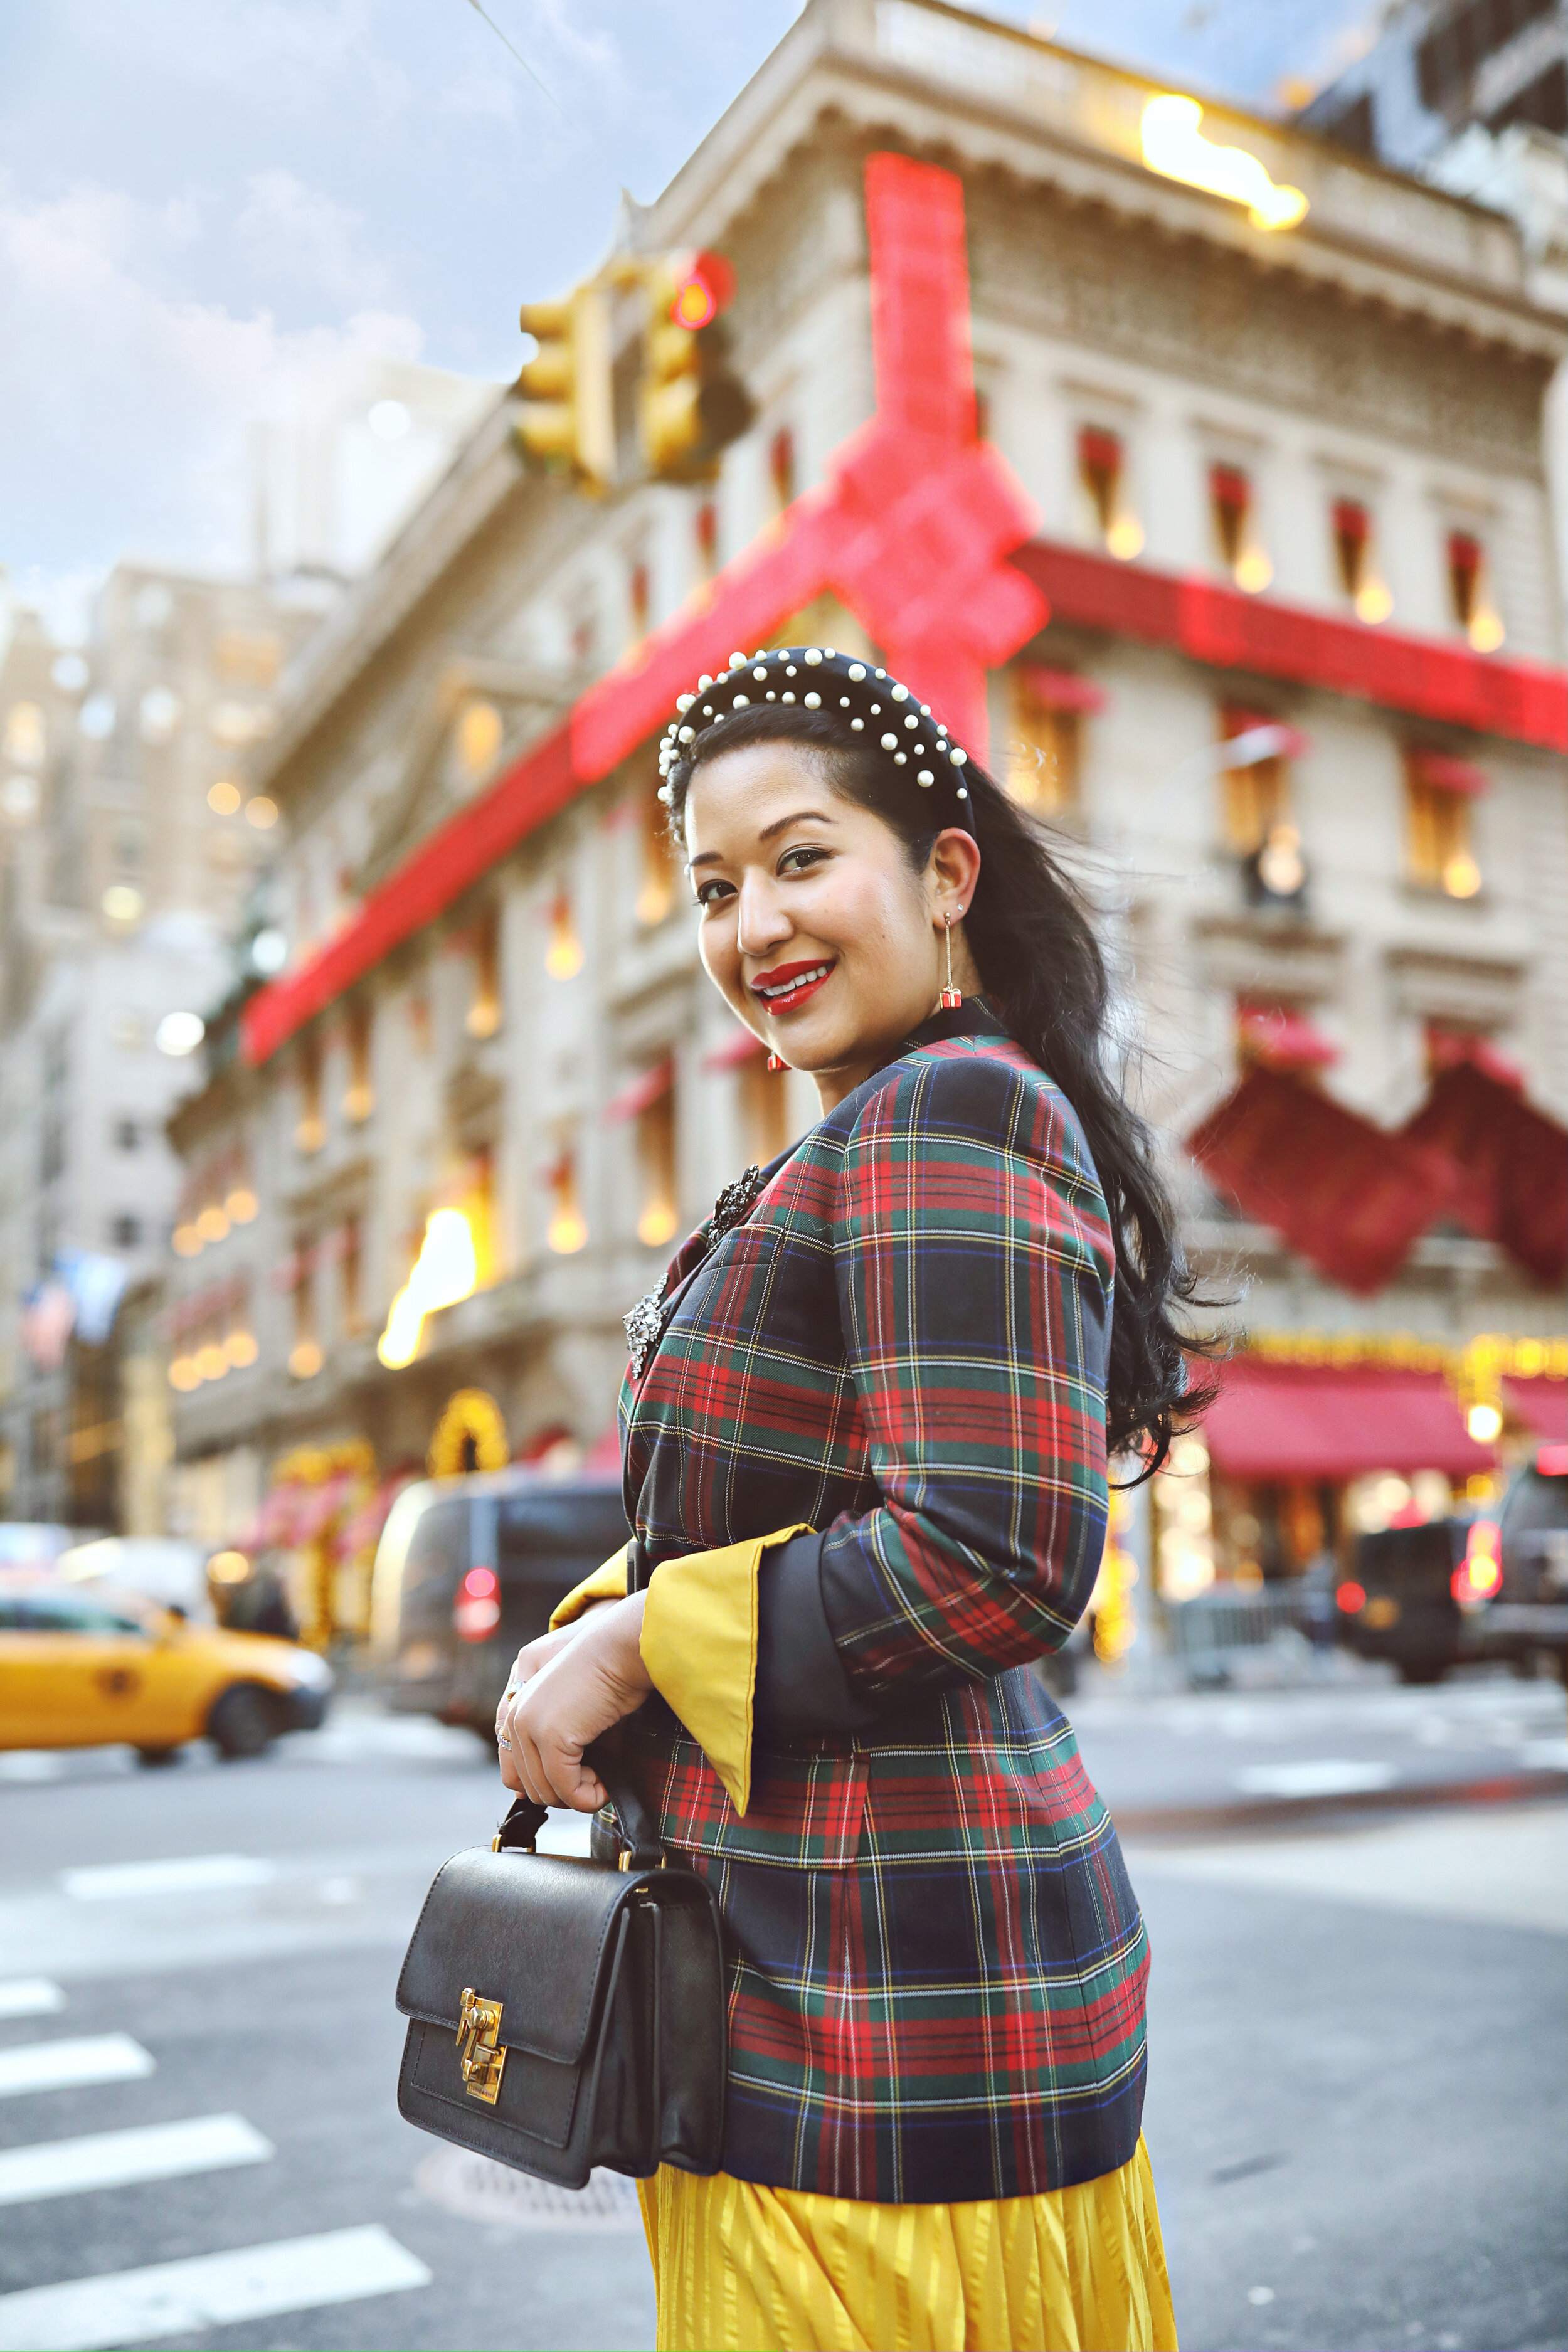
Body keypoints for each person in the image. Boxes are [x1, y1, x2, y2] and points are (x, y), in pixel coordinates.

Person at [496, 647, 1209, 2352]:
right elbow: (781, 1507)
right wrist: (601, 1623)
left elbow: (994, 1554)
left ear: (943, 874)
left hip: (888, 2024)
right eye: (716, 888)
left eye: (804, 858)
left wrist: (637, 1649)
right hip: (809, 1984)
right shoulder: (862, 1136)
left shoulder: (945, 1110)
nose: (755, 927)